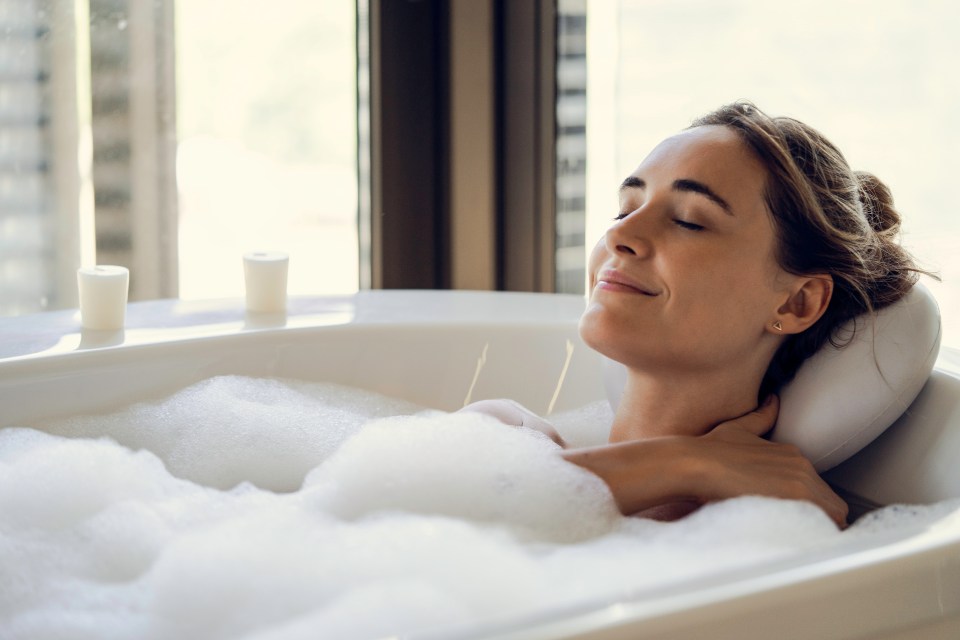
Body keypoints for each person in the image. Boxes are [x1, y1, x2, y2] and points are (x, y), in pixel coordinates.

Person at [464, 102, 925, 528]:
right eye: (625, 208)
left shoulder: (776, 533)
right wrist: (688, 463)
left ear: (795, 302)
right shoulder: (502, 434)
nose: (620, 235)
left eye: (688, 220)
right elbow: (430, 518)